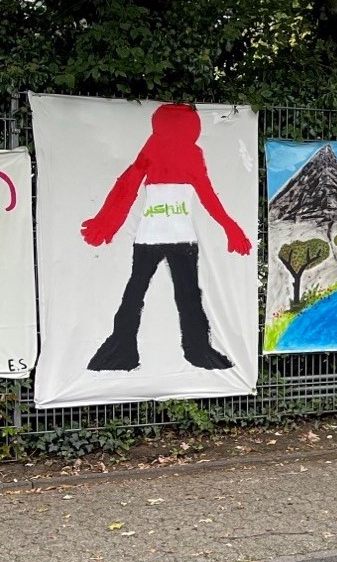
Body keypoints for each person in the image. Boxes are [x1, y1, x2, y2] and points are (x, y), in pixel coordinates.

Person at [80, 103, 251, 371]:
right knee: (187, 295)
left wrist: (106, 222)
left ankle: (121, 350)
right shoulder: (191, 153)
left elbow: (127, 185)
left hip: (152, 235)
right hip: (180, 237)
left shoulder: (154, 147)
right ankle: (197, 351)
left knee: (137, 292)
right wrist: (230, 227)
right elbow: (207, 195)